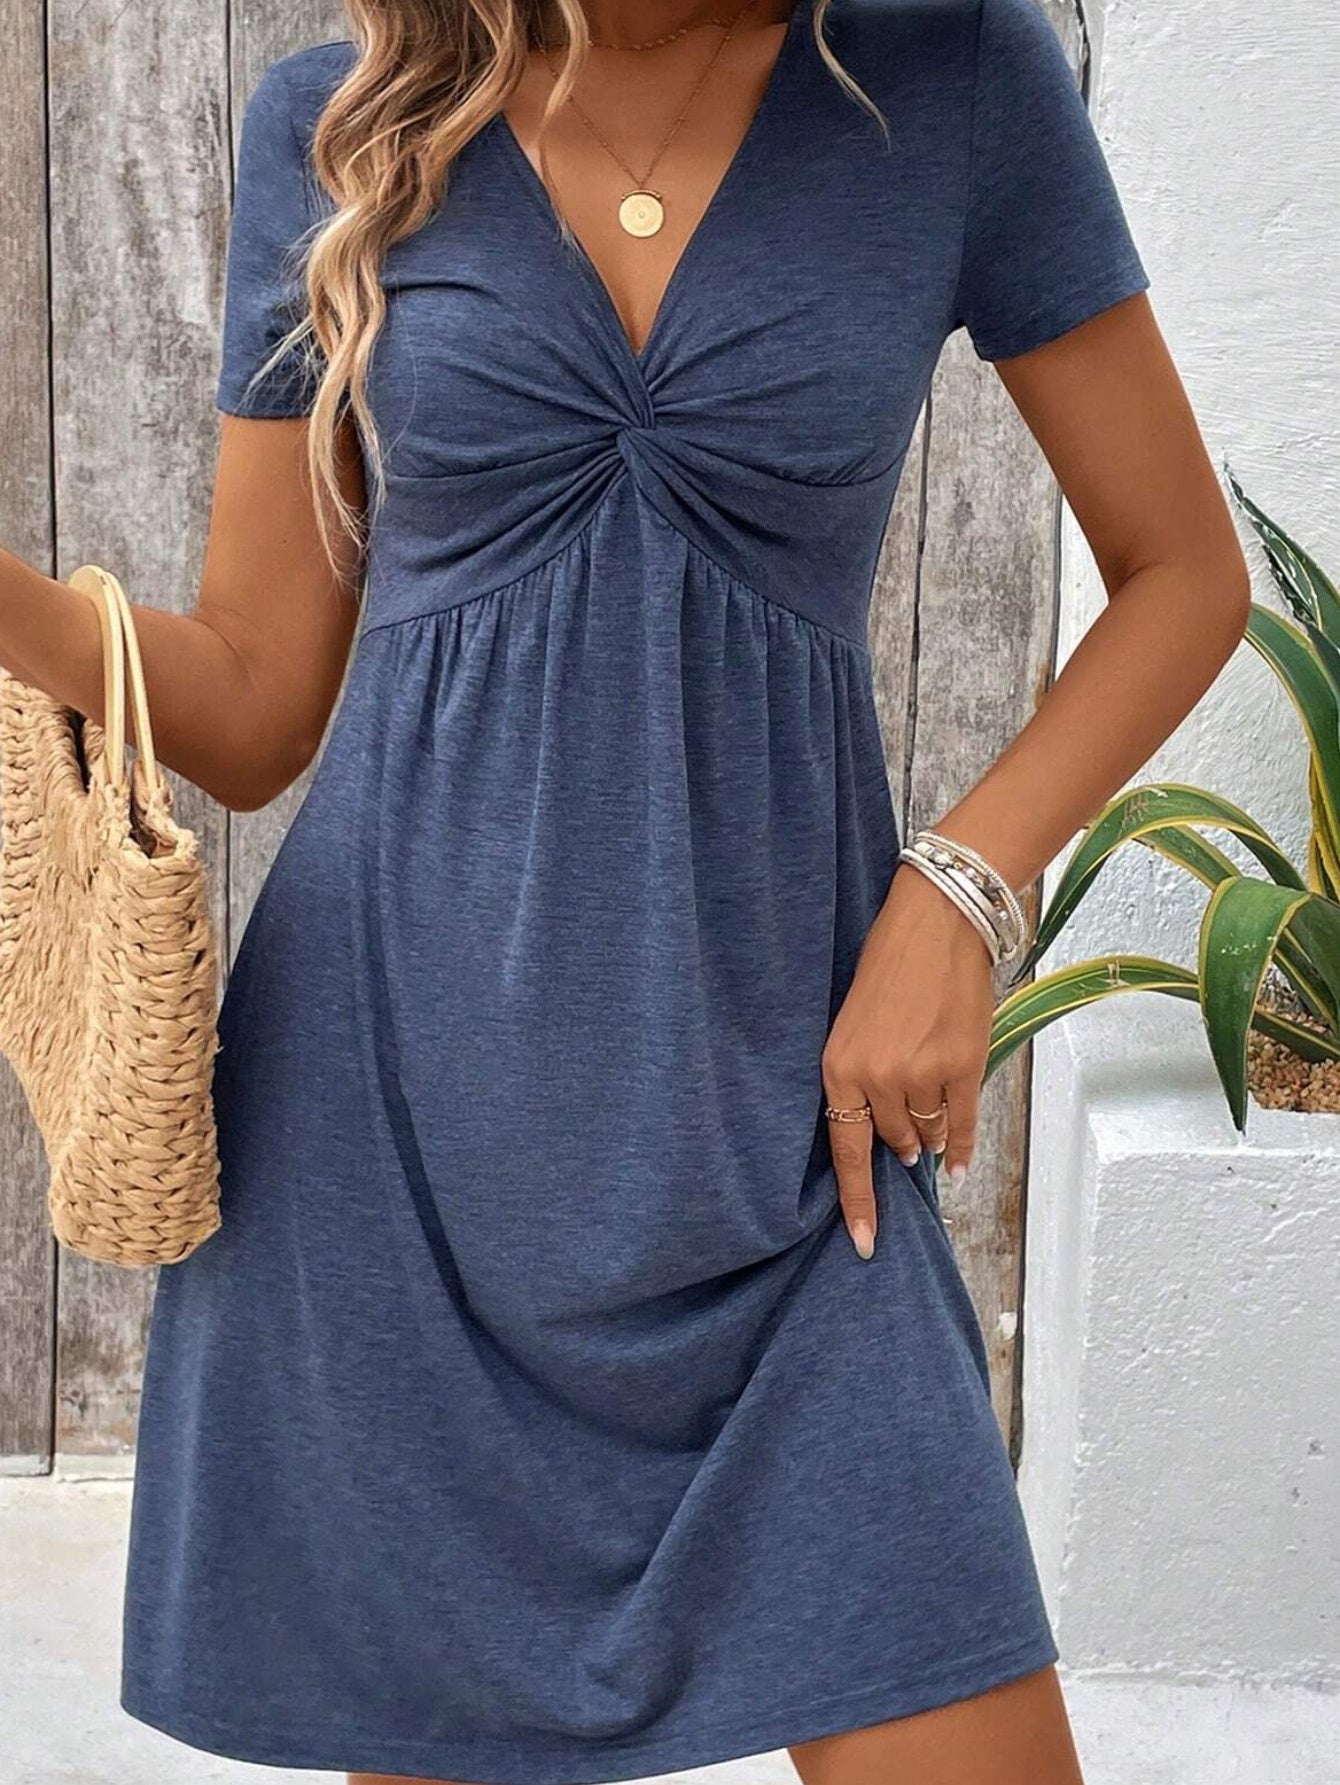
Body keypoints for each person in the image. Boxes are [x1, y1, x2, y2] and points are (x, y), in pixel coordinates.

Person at [0, 1, 1251, 1780]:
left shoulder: (957, 80)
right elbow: (261, 705)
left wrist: (959, 886)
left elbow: (1182, 570)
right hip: (395, 1147)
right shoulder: (343, 121)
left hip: (788, 1140)